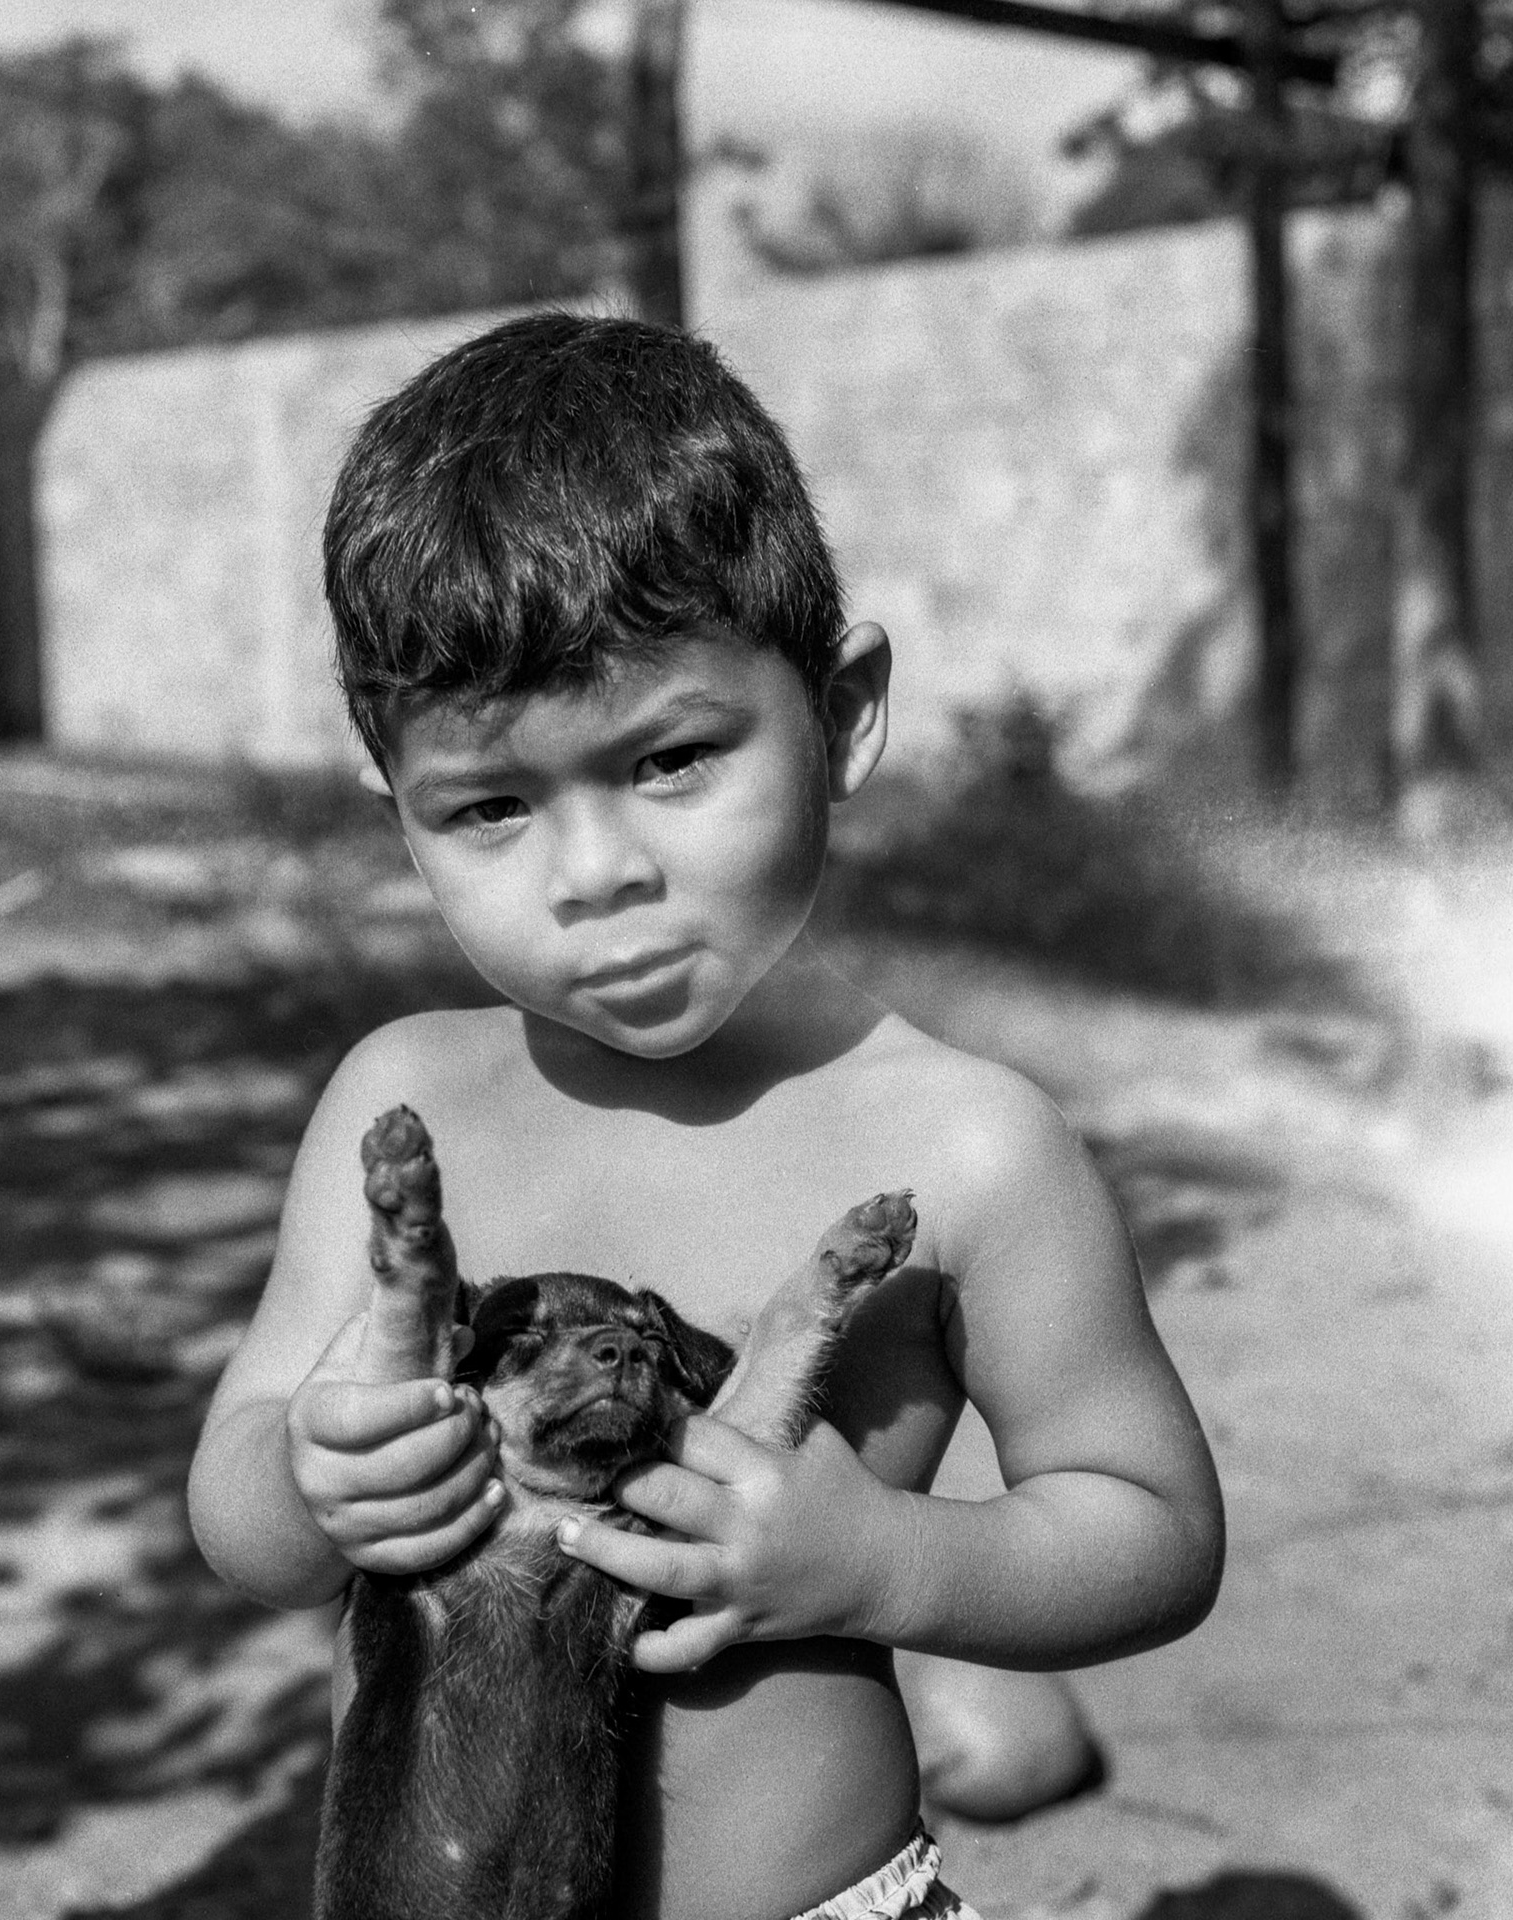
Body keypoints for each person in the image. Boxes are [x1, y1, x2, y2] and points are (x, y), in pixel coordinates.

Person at [187, 312, 1224, 1920]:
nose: (596, 873)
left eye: (670, 759)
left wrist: (890, 1562)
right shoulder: (404, 1102)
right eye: (492, 806)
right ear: (395, 803)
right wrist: (315, 1477)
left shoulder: (967, 1145)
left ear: (845, 710)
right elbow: (250, 1528)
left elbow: (1153, 1530)